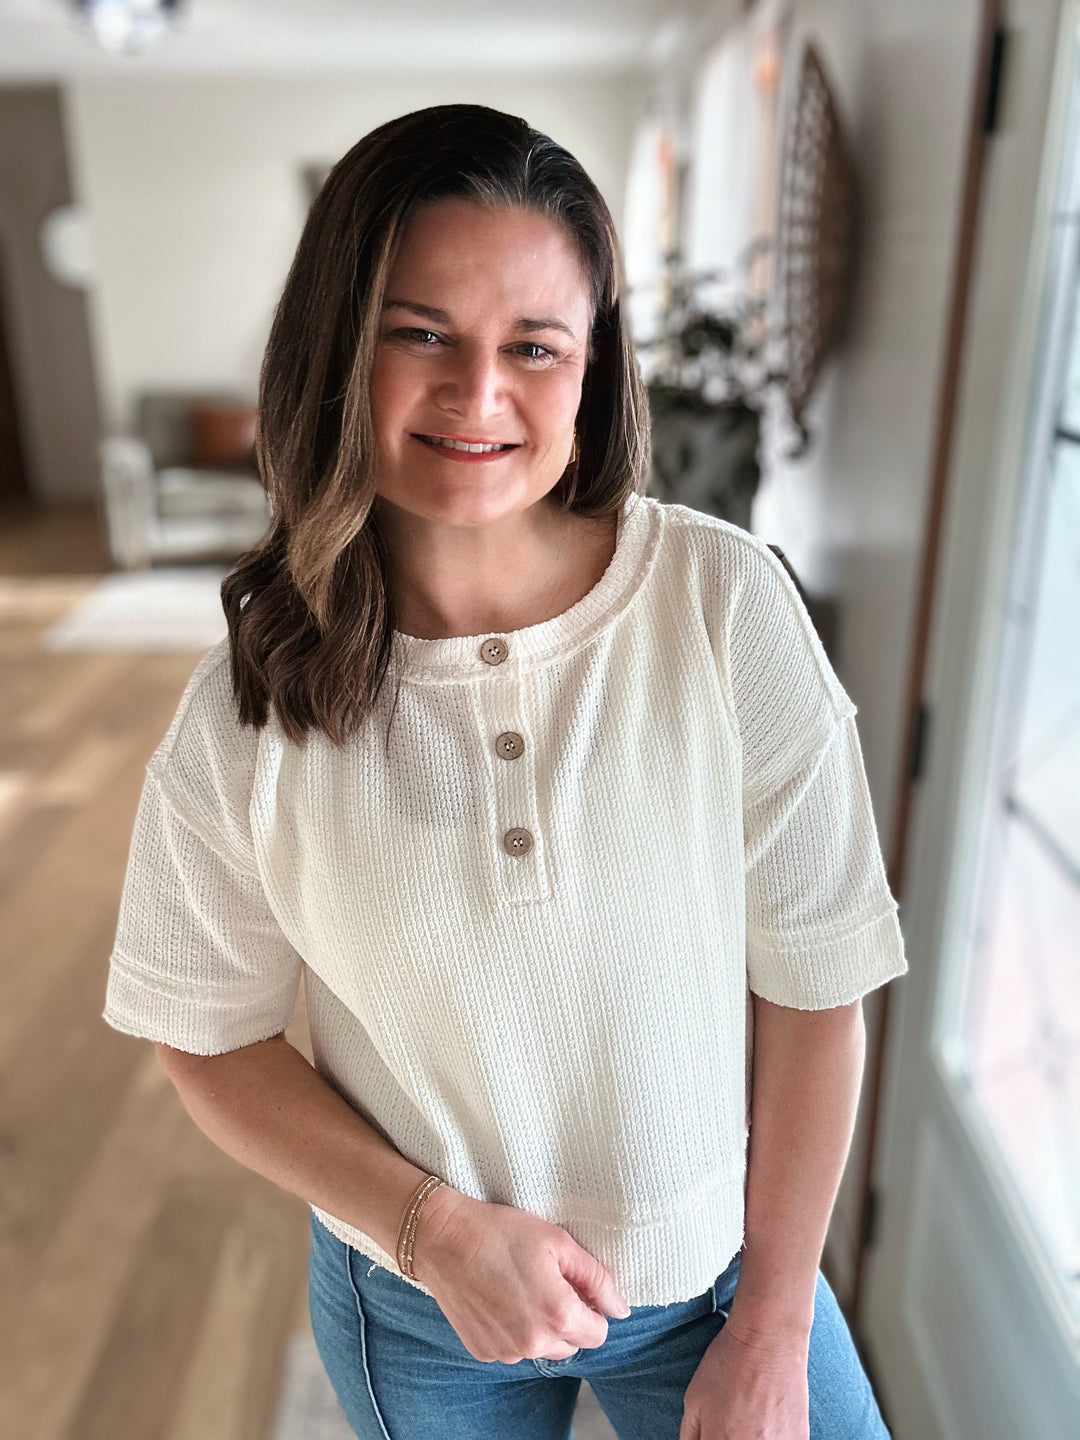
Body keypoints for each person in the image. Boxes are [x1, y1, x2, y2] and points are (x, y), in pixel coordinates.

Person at [102, 104, 907, 1440]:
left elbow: (820, 984)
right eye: (420, 334)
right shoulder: (248, 703)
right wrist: (435, 1236)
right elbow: (206, 1027)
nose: (479, 397)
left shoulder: (722, 607)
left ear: (592, 373)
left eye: (533, 347)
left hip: (720, 1279)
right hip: (417, 1308)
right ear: (339, 351)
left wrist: (772, 1326)